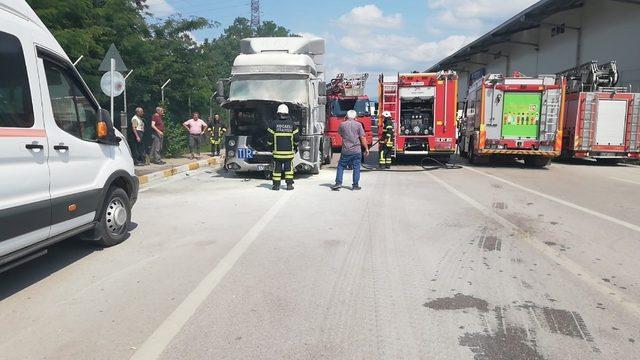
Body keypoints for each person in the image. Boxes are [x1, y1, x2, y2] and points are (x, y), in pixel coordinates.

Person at [331, 110, 370, 191]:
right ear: (355, 117)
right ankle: (355, 185)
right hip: (356, 151)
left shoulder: (342, 124)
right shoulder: (359, 125)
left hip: (346, 150)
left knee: (341, 166)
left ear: (346, 116)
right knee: (356, 167)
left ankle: (338, 183)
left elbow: (341, 134)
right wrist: (366, 148)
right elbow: (362, 137)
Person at [267, 104, 299, 191]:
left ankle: (276, 186)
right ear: (287, 113)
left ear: (278, 113)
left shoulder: (273, 124)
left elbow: (269, 139)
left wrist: (270, 147)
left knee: (277, 170)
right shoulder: (292, 125)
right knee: (289, 170)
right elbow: (296, 139)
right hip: (289, 154)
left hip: (277, 154)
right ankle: (289, 185)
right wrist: (296, 147)